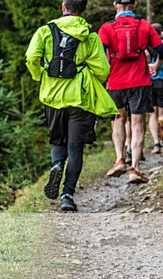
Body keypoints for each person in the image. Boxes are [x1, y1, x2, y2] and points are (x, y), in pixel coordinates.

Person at [26, 0, 118, 212]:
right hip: (80, 97)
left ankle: (56, 164)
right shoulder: (90, 36)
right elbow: (103, 70)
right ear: (84, 10)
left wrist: (39, 74)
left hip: (52, 95)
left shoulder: (44, 31)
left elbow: (32, 57)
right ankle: (67, 195)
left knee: (58, 141)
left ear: (63, 7)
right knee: (75, 148)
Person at [99, 0, 163, 183]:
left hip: (115, 82)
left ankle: (120, 159)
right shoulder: (144, 25)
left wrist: (105, 76)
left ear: (115, 5)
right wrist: (156, 65)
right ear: (134, 5)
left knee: (118, 120)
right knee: (137, 123)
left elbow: (101, 56)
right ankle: (134, 168)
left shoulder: (106, 28)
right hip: (140, 81)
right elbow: (161, 50)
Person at [149, 23, 163, 154]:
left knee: (152, 114)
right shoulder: (161, 47)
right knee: (161, 113)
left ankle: (156, 142)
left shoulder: (147, 47)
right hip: (162, 81)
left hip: (150, 83)